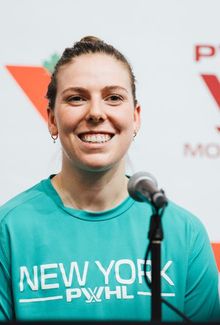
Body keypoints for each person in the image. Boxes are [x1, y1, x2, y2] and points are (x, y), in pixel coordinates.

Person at [0, 36, 219, 322]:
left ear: (136, 117)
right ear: (52, 119)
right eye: (76, 98)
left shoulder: (183, 233)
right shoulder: (9, 231)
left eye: (113, 97)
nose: (95, 113)